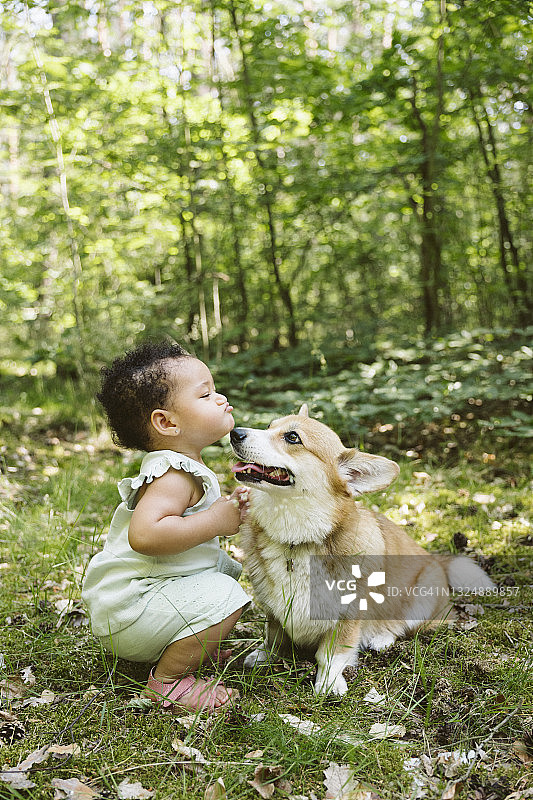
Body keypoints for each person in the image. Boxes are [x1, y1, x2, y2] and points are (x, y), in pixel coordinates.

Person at [82, 341, 251, 714]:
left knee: (222, 577)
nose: (221, 398)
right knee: (225, 595)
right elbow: (145, 536)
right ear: (167, 422)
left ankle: (188, 645)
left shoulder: (181, 467)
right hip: (131, 609)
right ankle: (168, 682)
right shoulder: (173, 475)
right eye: (205, 394)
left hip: (137, 606)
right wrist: (216, 521)